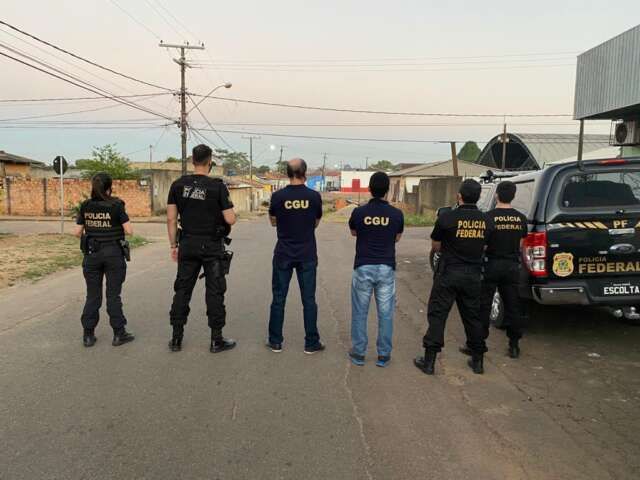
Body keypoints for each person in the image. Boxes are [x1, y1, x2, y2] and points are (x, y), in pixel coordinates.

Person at [414, 179, 493, 375]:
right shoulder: (487, 221)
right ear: (478, 197)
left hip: (448, 273)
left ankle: (429, 362)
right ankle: (478, 361)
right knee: (473, 317)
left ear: (459, 196)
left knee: (438, 315)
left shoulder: (447, 217)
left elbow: (436, 246)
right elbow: (485, 246)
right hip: (473, 275)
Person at [166, 144, 237, 353]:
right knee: (215, 292)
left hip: (187, 244)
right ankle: (216, 340)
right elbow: (230, 219)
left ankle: (176, 338)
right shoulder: (217, 187)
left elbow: (171, 219)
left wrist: (173, 245)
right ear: (210, 162)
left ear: (192, 160)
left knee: (182, 290)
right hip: (212, 247)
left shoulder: (178, 185)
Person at [267, 158, 325, 354]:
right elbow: (316, 223)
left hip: (283, 253)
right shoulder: (314, 197)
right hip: (307, 254)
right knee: (308, 299)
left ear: (287, 173)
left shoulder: (277, 196)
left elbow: (273, 221)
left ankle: (275, 341)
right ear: (304, 172)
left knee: (278, 298)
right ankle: (311, 343)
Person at [348, 172, 404, 368]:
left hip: (363, 266)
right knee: (386, 313)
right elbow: (397, 238)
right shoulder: (397, 214)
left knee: (360, 312)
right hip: (386, 267)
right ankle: (383, 355)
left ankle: (359, 353)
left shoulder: (358, 212)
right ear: (387, 190)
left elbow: (354, 232)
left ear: (369, 189)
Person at [74, 172, 135, 348]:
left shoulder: (86, 206)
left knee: (93, 295)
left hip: (92, 255)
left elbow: (77, 233)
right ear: (109, 187)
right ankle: (119, 334)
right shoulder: (116, 205)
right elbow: (129, 231)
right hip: (113, 255)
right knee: (113, 295)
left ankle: (88, 335)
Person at [473, 181, 528, 358]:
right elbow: (521, 245)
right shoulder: (521, 218)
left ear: (496, 195)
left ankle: (478, 347)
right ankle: (514, 345)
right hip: (511, 266)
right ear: (513, 196)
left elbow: (482, 245)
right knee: (513, 306)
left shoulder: (488, 217)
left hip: (491, 264)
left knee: (484, 306)